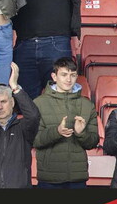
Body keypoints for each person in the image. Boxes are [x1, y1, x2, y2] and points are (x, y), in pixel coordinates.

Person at [32, 57, 100, 188]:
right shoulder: (39, 103)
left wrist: (81, 133)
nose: (69, 80)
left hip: (77, 178)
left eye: (73, 75)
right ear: (54, 76)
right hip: (49, 178)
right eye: (64, 75)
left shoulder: (87, 105)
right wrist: (56, 132)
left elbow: (93, 142)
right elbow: (35, 140)